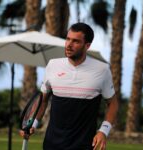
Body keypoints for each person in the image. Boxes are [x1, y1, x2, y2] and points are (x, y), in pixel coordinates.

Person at [20, 22, 118, 150]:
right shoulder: (52, 65)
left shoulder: (102, 69)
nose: (69, 45)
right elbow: (42, 101)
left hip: (84, 145)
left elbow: (113, 104)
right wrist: (33, 123)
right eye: (68, 39)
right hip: (52, 144)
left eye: (76, 41)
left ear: (87, 45)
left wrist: (103, 131)